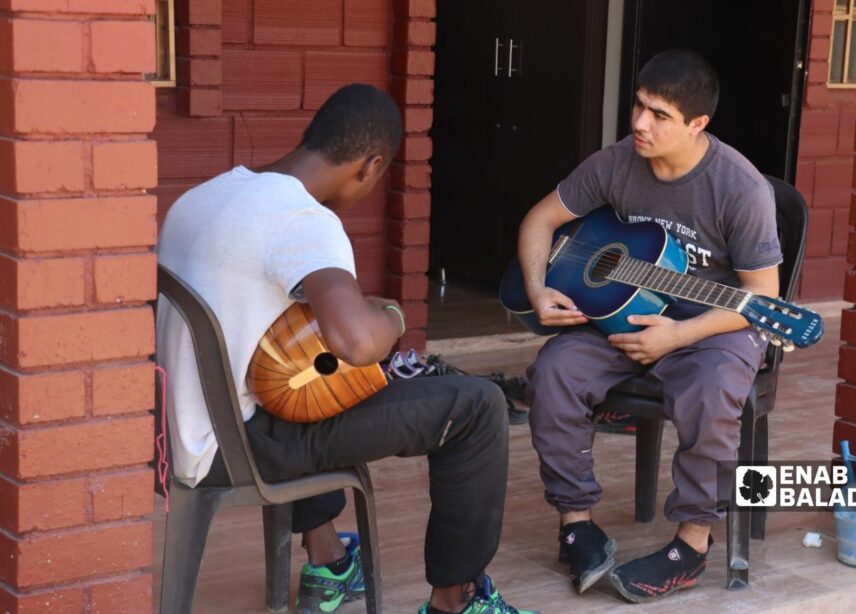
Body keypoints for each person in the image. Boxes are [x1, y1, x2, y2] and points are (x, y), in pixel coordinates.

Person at [157, 84, 534, 614]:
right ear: (370, 165)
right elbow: (356, 342)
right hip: (243, 445)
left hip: (179, 436)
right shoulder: (304, 221)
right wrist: (393, 316)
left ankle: (329, 564)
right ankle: (456, 600)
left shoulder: (206, 195)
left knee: (310, 383)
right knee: (477, 407)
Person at [518, 50, 782, 604]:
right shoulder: (616, 163)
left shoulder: (741, 188)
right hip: (627, 313)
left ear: (697, 125)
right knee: (555, 370)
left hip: (716, 325)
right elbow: (540, 219)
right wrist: (539, 286)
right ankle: (576, 525)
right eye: (639, 106)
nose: (640, 124)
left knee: (712, 393)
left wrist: (680, 336)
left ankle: (692, 543)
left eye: (659, 115)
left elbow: (763, 298)